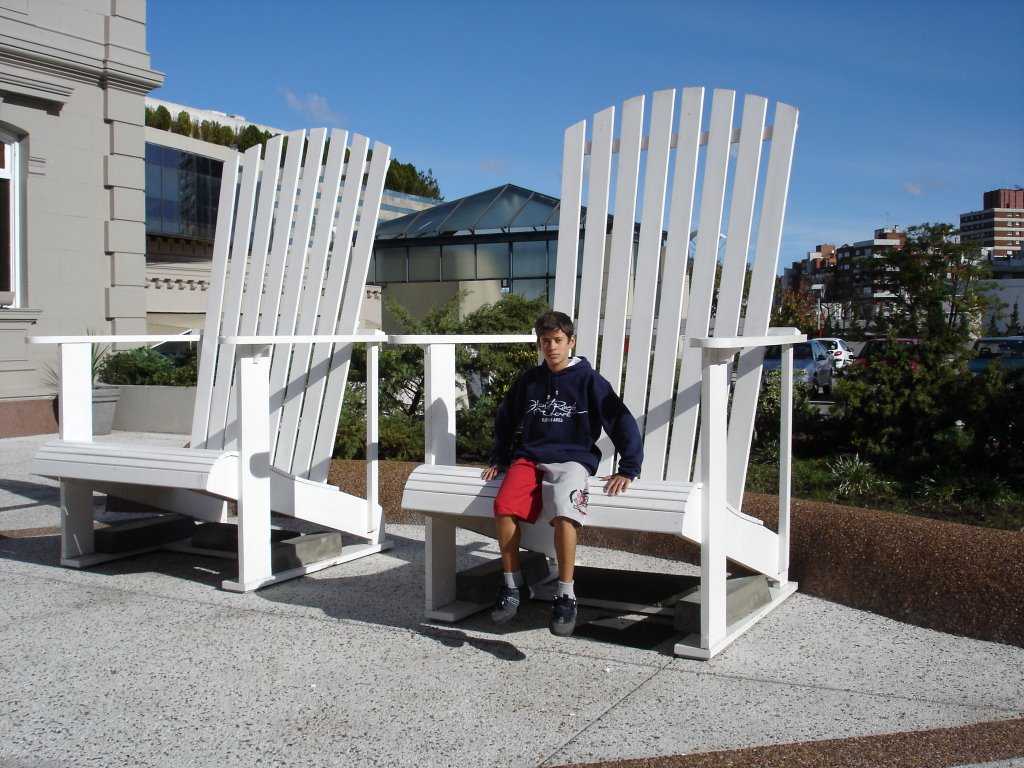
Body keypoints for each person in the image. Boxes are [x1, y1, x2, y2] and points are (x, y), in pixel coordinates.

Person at [481, 310, 643, 636]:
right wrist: (500, 457)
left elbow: (620, 421)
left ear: (571, 342)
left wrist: (629, 468)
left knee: (566, 512)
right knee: (503, 507)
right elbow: (506, 419)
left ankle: (566, 594)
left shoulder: (589, 381)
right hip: (530, 458)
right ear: (539, 344)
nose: (551, 347)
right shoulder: (530, 380)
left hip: (573, 461)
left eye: (558, 340)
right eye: (545, 341)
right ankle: (513, 585)